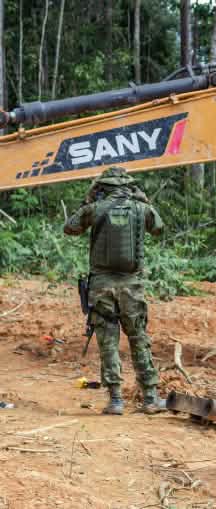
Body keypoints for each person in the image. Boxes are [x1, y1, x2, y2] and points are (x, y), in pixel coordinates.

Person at [64, 166, 165, 414]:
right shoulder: (141, 209)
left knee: (108, 341)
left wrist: (87, 199)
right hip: (132, 285)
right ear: (128, 186)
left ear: (102, 187)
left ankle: (116, 400)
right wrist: (145, 200)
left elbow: (70, 227)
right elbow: (159, 227)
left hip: (101, 286)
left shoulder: (94, 209)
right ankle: (150, 398)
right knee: (138, 338)